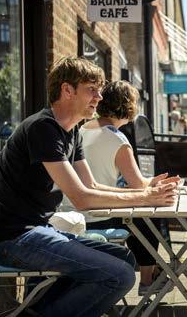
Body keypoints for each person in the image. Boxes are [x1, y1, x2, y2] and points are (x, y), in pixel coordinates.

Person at [0, 57, 178, 317]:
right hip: (11, 239)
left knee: (125, 259)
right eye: (91, 89)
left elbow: (92, 185)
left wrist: (146, 193)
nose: (99, 96)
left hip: (38, 231)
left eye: (100, 89)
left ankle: (37, 311)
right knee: (120, 275)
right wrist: (145, 197)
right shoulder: (43, 128)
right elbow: (82, 198)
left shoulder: (72, 131)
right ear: (67, 90)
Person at [62, 80, 171, 296]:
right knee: (146, 217)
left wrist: (151, 183)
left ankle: (152, 274)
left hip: (70, 213)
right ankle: (148, 279)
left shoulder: (81, 130)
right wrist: (153, 185)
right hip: (96, 216)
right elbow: (138, 185)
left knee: (140, 208)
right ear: (128, 106)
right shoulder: (118, 139)